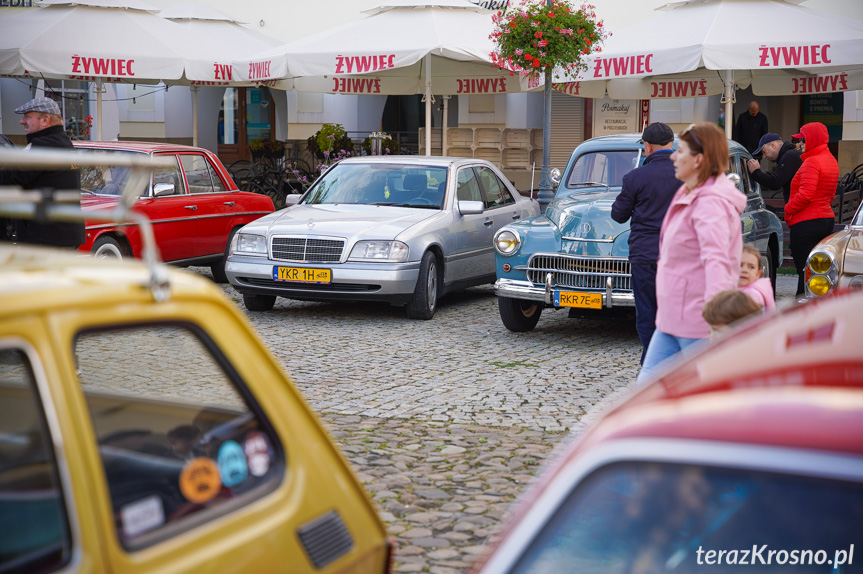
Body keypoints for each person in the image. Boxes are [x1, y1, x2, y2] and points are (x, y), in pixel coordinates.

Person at [638, 123, 746, 384]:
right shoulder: (691, 193)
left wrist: (717, 320)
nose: (673, 156)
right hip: (673, 316)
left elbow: (717, 260)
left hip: (698, 319)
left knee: (706, 396)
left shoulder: (709, 203)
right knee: (649, 388)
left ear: (698, 160)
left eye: (680, 151)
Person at [611, 122, 680, 364]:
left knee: (647, 311)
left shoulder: (635, 177)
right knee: (676, 309)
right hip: (679, 254)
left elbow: (618, 214)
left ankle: (652, 361)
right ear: (672, 145)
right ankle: (674, 360)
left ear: (647, 147)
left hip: (646, 254)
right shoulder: (689, 175)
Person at [0, 97, 83, 248]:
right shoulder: (64, 143)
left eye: (27, 117)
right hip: (65, 234)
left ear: (45, 120)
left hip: (46, 237)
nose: (22, 122)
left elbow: (9, 178)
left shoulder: (41, 146)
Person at [785, 122, 839, 296]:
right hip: (825, 219)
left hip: (806, 222)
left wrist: (788, 208)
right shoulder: (830, 159)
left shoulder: (812, 161)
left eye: (803, 140)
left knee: (804, 271)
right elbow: (828, 194)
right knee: (819, 271)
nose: (800, 144)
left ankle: (801, 309)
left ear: (813, 139)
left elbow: (806, 194)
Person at [746, 133, 803, 204]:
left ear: (773, 145)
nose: (764, 156)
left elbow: (775, 182)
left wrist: (756, 172)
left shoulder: (790, 156)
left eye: (764, 152)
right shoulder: (790, 155)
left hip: (800, 207)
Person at [738, 243, 775, 313]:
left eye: (751, 267)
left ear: (758, 274)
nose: (745, 270)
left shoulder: (752, 295)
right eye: (740, 265)